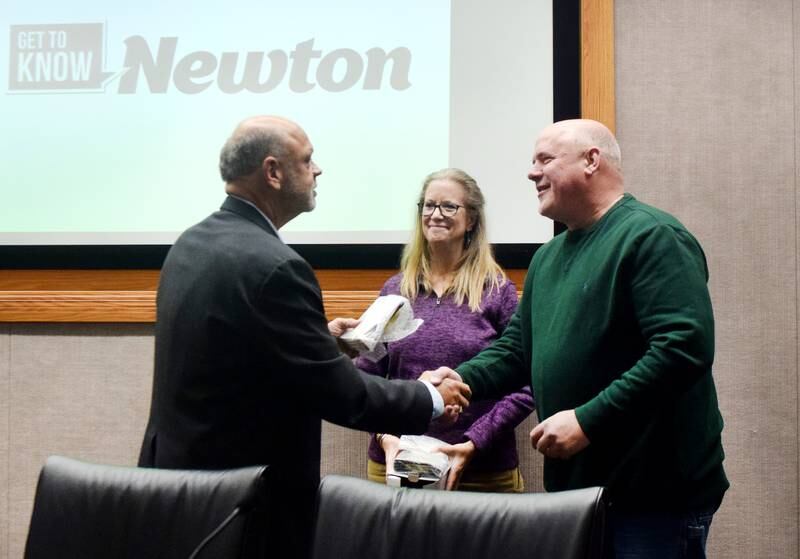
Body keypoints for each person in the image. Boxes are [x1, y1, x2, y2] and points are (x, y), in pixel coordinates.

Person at [137, 116, 471, 559]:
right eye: (307, 159)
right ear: (273, 173)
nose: (318, 170)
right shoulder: (277, 266)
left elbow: (235, 352)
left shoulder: (191, 244)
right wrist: (428, 398)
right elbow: (339, 394)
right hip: (243, 507)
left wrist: (320, 340)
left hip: (179, 488)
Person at [430, 119, 728, 558]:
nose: (532, 173)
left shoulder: (652, 236)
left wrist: (590, 419)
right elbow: (516, 349)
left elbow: (683, 349)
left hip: (654, 497)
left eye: (545, 160)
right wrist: (461, 379)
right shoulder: (549, 256)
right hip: (580, 494)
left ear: (592, 160)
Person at [356, 168, 534, 491]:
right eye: (428, 205)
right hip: (396, 468)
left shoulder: (497, 291)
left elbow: (528, 382)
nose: (435, 214)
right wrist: (386, 437)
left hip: (480, 471)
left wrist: (474, 443)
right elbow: (365, 377)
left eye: (449, 206)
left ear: (472, 221)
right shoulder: (395, 291)